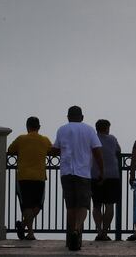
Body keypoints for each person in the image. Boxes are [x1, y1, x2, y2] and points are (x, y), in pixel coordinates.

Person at [52, 106, 103, 251]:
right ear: (82, 117)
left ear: (68, 117)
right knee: (83, 205)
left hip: (66, 171)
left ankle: (71, 237)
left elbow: (56, 149)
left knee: (70, 205)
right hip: (83, 173)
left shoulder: (62, 129)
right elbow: (97, 150)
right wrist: (101, 169)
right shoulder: (89, 130)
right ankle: (76, 229)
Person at [7, 116, 52, 241]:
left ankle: (25, 228)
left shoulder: (21, 139)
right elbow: (53, 151)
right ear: (39, 127)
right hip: (39, 177)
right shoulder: (45, 140)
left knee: (26, 205)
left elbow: (10, 150)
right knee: (38, 205)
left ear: (27, 127)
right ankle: (27, 229)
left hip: (23, 177)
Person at [90, 119, 121, 242]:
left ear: (96, 128)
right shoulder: (112, 139)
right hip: (112, 175)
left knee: (96, 204)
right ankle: (105, 232)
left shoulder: (92, 139)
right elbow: (118, 151)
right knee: (109, 205)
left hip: (95, 175)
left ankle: (99, 231)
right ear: (107, 128)